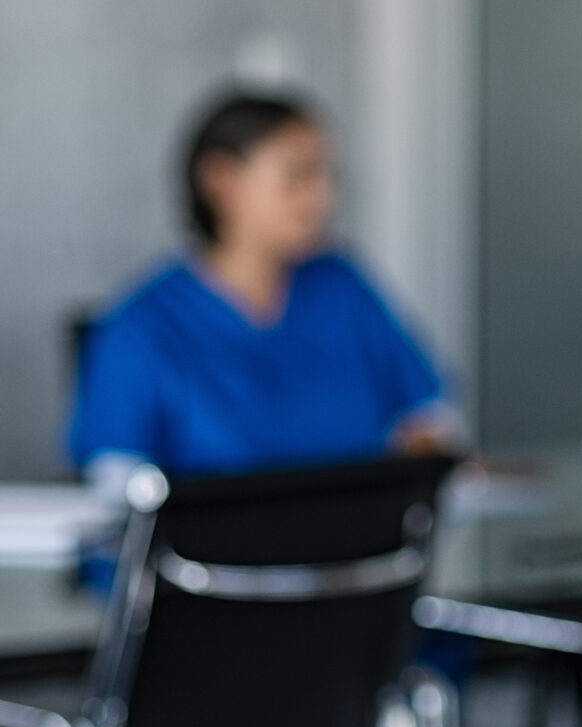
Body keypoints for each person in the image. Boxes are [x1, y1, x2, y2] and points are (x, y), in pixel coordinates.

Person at [68, 91, 457, 487]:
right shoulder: (140, 328)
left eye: (327, 176)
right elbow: (116, 485)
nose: (323, 197)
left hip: (361, 544)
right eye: (297, 177)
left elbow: (426, 420)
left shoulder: (343, 290)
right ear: (221, 180)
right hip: (206, 549)